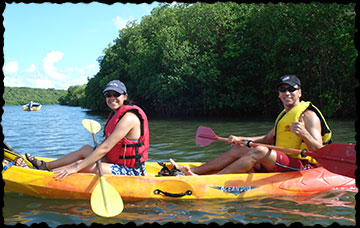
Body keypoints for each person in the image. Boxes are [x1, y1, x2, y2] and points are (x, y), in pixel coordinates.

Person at [170, 75, 332, 175]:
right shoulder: (284, 116)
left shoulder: (309, 116)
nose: (287, 93)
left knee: (260, 150)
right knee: (240, 148)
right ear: (279, 94)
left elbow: (320, 152)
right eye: (283, 89)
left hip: (303, 166)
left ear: (299, 92)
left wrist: (304, 134)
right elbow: (267, 138)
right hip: (282, 161)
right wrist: (241, 139)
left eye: (291, 89)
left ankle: (212, 179)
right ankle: (191, 171)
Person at [22, 80, 150, 180]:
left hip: (131, 170)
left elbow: (105, 148)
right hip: (116, 162)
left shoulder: (129, 118)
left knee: (82, 164)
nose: (112, 98)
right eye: (108, 95)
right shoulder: (116, 114)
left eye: (116, 94)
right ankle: (45, 166)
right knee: (86, 149)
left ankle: (44, 176)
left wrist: (76, 167)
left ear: (125, 96)